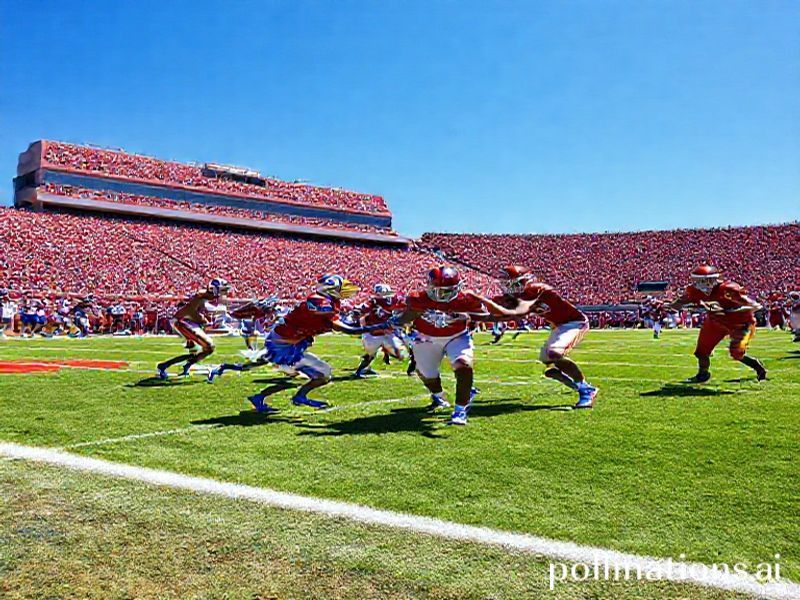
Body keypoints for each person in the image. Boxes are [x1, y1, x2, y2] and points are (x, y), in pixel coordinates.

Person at [209, 275, 387, 413]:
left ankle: (280, 396)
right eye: (340, 287)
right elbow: (348, 329)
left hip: (290, 343)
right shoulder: (319, 301)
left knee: (321, 375)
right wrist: (384, 325)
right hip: (282, 344)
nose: (344, 291)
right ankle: (270, 396)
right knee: (309, 375)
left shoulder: (328, 304)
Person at [472, 265, 598, 409]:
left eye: (510, 284)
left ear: (522, 281)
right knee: (547, 360)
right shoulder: (521, 295)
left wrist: (479, 316)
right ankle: (573, 381)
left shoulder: (536, 290)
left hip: (574, 323)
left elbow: (512, 314)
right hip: (558, 326)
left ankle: (586, 389)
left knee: (554, 353)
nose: (507, 288)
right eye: (505, 284)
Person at [393, 266, 486, 425]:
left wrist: (466, 317)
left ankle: (460, 411)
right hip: (426, 338)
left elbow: (484, 315)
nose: (439, 295)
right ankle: (438, 395)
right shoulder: (417, 298)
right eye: (436, 289)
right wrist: (398, 320)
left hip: (456, 336)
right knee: (428, 376)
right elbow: (405, 316)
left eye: (446, 291)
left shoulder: (466, 299)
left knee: (464, 366)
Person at [665, 264, 766, 382]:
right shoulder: (694, 290)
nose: (699, 284)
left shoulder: (728, 289)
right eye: (697, 280)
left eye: (702, 280)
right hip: (715, 322)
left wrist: (731, 309)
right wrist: (671, 305)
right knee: (702, 352)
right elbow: (682, 301)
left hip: (739, 323)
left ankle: (757, 366)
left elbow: (750, 304)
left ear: (712, 279)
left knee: (736, 353)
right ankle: (703, 374)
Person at [156, 278, 229, 379]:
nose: (223, 293)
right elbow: (190, 311)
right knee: (209, 346)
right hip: (184, 321)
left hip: (188, 322)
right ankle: (182, 366)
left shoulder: (205, 297)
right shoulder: (201, 296)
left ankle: (166, 366)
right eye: (221, 290)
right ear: (214, 289)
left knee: (198, 352)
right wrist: (203, 320)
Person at [354, 284, 406, 378]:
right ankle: (359, 371)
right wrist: (358, 311)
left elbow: (404, 306)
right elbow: (361, 308)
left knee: (400, 354)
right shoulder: (373, 302)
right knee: (371, 355)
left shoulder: (394, 300)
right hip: (373, 334)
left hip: (386, 333)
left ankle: (386, 351)